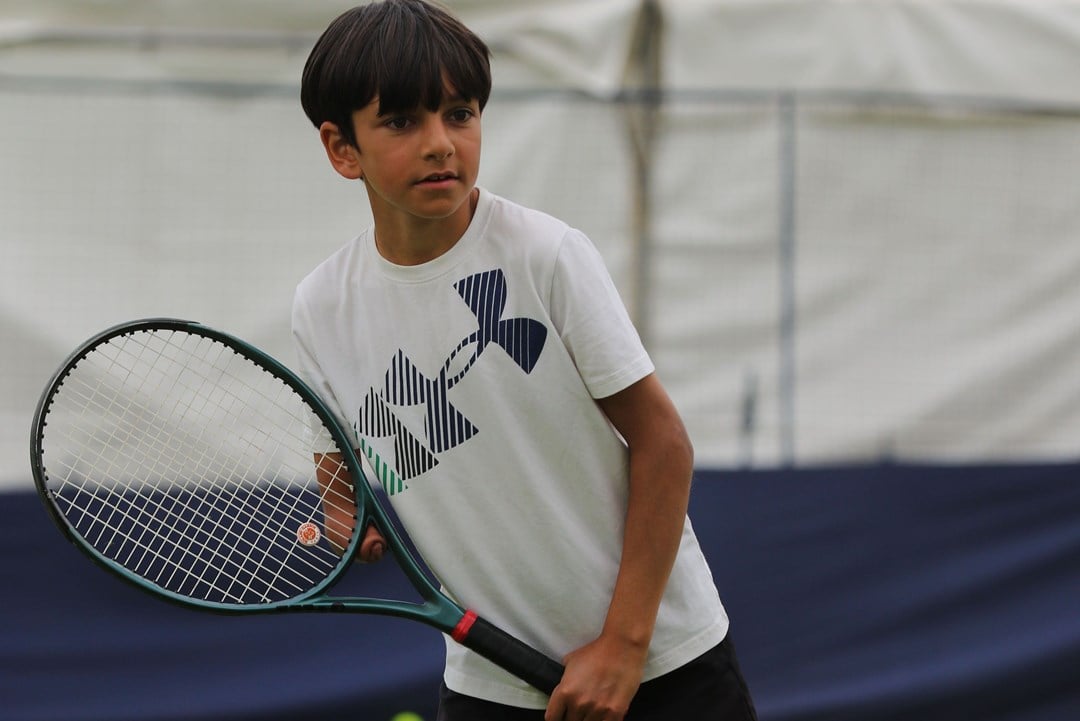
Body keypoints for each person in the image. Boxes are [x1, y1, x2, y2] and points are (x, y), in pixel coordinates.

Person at [293, 2, 757, 719]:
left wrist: (624, 648)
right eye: (402, 121)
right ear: (340, 147)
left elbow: (664, 442)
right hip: (490, 688)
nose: (441, 143)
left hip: (663, 667)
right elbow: (337, 462)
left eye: (460, 113)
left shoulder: (548, 256)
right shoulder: (321, 306)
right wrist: (344, 519)